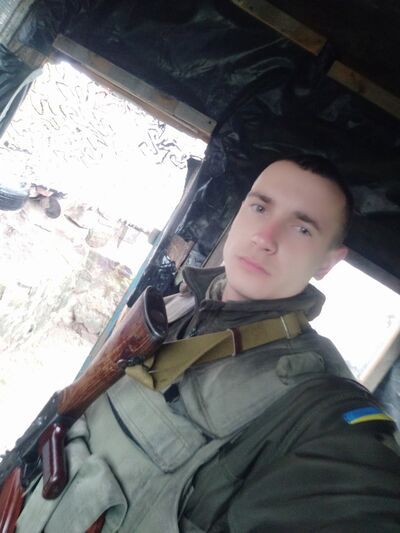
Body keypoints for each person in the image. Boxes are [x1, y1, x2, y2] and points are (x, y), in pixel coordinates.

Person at [17, 155, 400, 532]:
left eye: (302, 229)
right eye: (259, 207)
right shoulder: (172, 308)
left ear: (328, 262)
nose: (265, 238)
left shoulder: (321, 407)